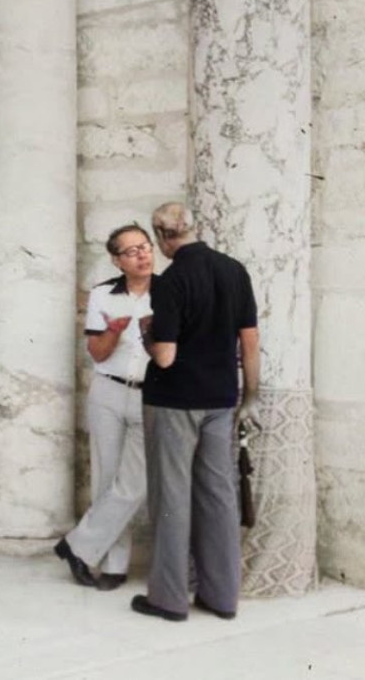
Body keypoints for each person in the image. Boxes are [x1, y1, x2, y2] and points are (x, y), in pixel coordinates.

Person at [131, 202, 260, 622]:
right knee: (219, 495)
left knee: (171, 495)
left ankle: (169, 599)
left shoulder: (170, 282)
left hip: (174, 400)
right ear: (194, 228)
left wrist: (147, 334)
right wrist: (250, 397)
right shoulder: (233, 270)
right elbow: (251, 342)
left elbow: (165, 357)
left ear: (163, 235)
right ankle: (222, 597)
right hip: (222, 397)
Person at [54, 224, 155, 590]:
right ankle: (112, 565)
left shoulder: (170, 293)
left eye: (145, 247)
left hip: (151, 394)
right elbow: (96, 352)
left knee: (134, 482)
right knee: (106, 477)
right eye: (131, 251)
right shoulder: (102, 295)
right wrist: (113, 330)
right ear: (117, 260)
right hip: (109, 392)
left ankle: (76, 546)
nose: (142, 255)